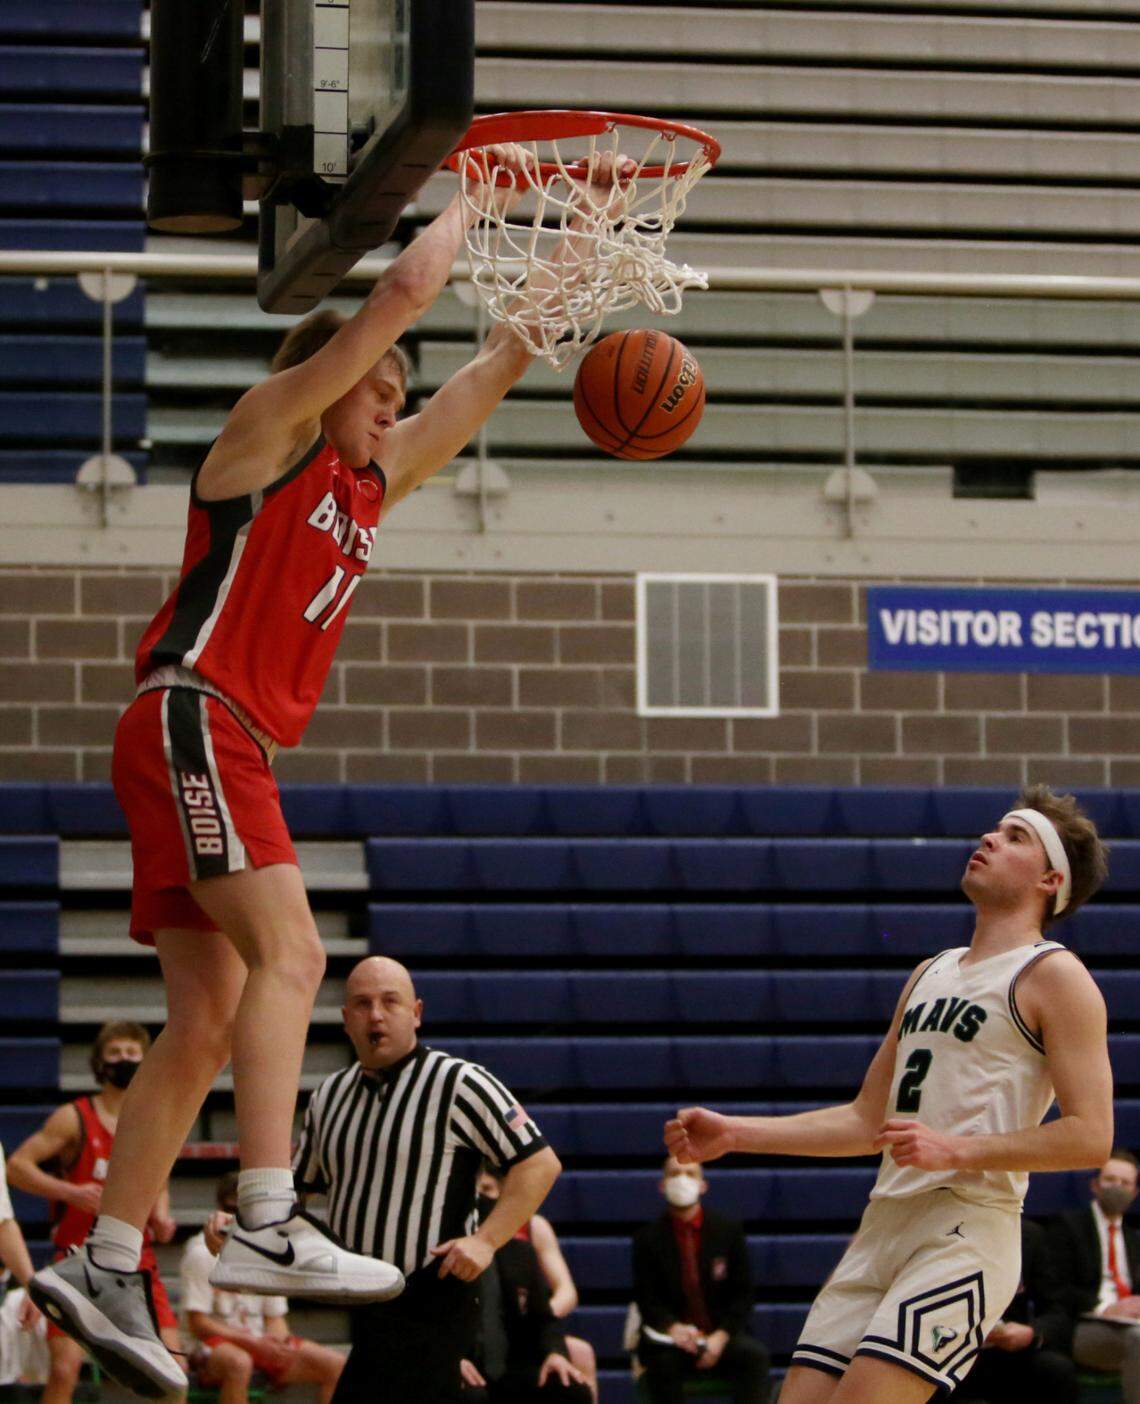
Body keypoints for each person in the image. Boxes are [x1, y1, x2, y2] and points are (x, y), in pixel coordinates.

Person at [28, 143, 626, 1400]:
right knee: (294, 957)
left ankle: (107, 1259)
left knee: (200, 1018)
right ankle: (262, 1209)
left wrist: (574, 256)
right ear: (324, 382)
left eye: (396, 396)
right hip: (200, 716)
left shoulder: (369, 488)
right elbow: (403, 301)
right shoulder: (262, 445)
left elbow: (492, 367)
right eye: (376, 390)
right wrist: (481, 183)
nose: (393, 407)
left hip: (211, 738)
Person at [665, 784, 1114, 1404]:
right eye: (996, 828)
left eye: (1016, 837)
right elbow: (864, 1119)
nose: (989, 838)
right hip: (883, 1225)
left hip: (966, 1228)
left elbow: (1092, 1136)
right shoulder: (930, 972)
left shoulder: (1055, 975)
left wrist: (954, 1149)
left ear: (1049, 881)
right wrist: (739, 1133)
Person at [8, 1023, 182, 1404]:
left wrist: (162, 1216)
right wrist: (70, 1191)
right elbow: (17, 1166)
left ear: (146, 1060)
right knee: (64, 1370)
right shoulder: (74, 1117)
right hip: (77, 1260)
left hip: (138, 1267)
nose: (124, 1060)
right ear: (99, 1063)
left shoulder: (154, 1119)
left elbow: (160, 1181)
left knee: (173, 1376)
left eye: (132, 1053)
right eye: (115, 1053)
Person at [181, 1173, 344, 1404]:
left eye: (246, 1210)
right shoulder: (200, 1252)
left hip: (258, 1341)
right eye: (232, 1209)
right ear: (220, 1208)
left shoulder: (271, 1251)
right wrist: (256, 1344)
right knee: (239, 1363)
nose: (239, 1217)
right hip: (208, 1346)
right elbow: (198, 1324)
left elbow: (275, 1318)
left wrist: (278, 1345)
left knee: (336, 1365)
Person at [631, 1157, 769, 1404]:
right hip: (672, 1342)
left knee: (755, 1357)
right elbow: (647, 1300)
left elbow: (743, 1295)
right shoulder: (647, 1238)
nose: (681, 1179)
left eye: (689, 1173)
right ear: (662, 1184)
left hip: (721, 1336)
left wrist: (718, 1338)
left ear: (703, 1185)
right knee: (661, 1366)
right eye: (674, 1173)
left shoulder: (728, 1231)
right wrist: (674, 1329)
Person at [470, 1160, 596, 1401]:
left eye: (486, 1191)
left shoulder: (527, 1240)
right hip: (469, 1356)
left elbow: (560, 1298)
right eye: (476, 1193)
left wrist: (552, 1349)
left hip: (516, 1350)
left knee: (573, 1383)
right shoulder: (446, 1242)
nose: (480, 1200)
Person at [950, 1217, 1077, 1404]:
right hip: (954, 1352)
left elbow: (1057, 1309)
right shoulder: (947, 1233)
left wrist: (1032, 1332)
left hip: (1009, 1349)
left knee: (1057, 1370)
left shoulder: (1031, 1235)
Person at [1046, 1146, 1140, 1399]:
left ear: (1134, 1192)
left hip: (1130, 1322)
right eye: (1111, 1180)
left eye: (1125, 1182)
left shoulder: (1133, 1239)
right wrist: (1104, 1308)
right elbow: (1056, 1290)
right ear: (1095, 1185)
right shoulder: (1068, 1226)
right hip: (1084, 1324)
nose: (1117, 1187)